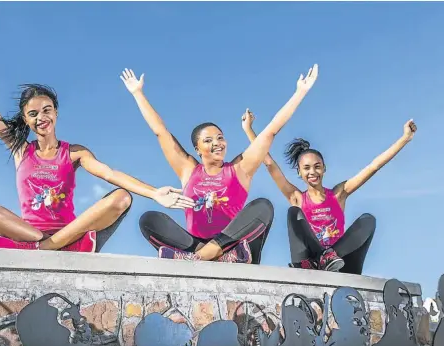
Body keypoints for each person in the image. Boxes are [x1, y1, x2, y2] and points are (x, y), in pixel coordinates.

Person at [0, 20, 194, 252]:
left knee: (121, 197)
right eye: (34, 114)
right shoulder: (21, 151)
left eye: (47, 110)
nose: (42, 118)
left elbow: (110, 174)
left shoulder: (74, 153)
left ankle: (48, 248)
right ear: (26, 120)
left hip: (70, 233)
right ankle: (40, 244)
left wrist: (154, 193)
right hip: (28, 232)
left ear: (56, 113)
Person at [120, 65, 319, 264]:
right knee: (149, 219)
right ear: (197, 149)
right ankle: (207, 255)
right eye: (208, 141)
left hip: (236, 246)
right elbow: (161, 132)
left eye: (220, 138)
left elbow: (270, 131)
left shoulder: (239, 169)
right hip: (196, 243)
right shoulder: (189, 169)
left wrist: (300, 92)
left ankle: (204, 256)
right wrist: (138, 93)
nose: (217, 143)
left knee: (263, 207)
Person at [242, 109, 417, 273]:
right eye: (307, 168)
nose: (312, 172)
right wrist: (249, 130)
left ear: (324, 169)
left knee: (368, 220)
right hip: (309, 262)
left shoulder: (338, 194)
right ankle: (317, 261)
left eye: (317, 167)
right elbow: (269, 163)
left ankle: (328, 258)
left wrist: (404, 139)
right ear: (300, 172)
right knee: (293, 212)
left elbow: (374, 166)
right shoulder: (297, 198)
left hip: (338, 263)